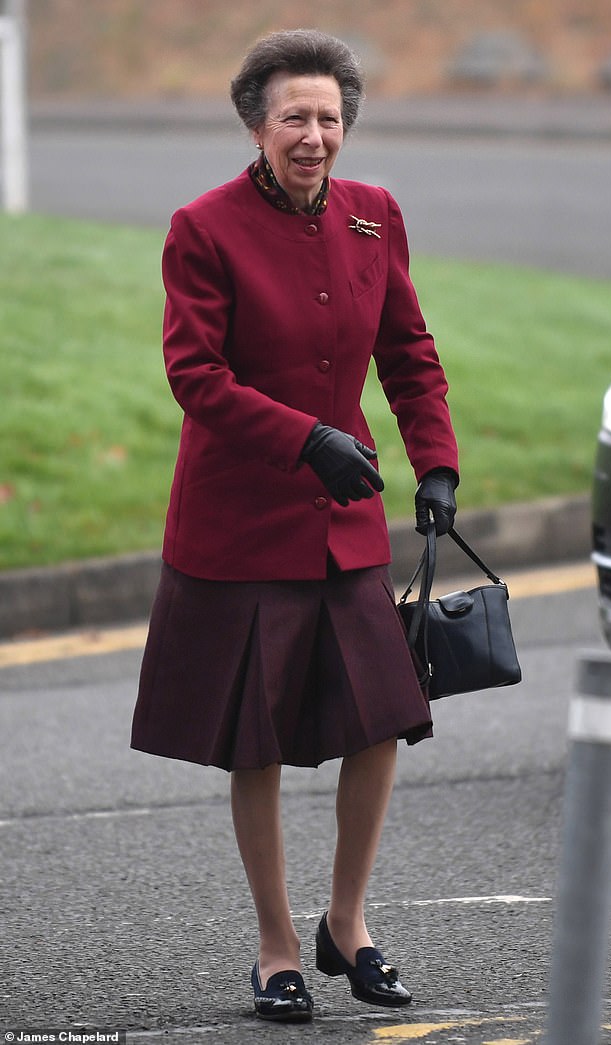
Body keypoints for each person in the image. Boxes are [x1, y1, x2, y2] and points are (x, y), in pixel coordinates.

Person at [131, 28, 459, 1023]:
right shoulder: (203, 227)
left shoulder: (373, 217)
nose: (313, 135)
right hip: (240, 526)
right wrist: (303, 438)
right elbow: (197, 376)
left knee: (381, 719)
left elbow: (407, 350)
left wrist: (436, 460)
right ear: (255, 123)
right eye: (294, 118)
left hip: (344, 520)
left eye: (328, 117)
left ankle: (345, 925)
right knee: (258, 744)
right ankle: (277, 946)